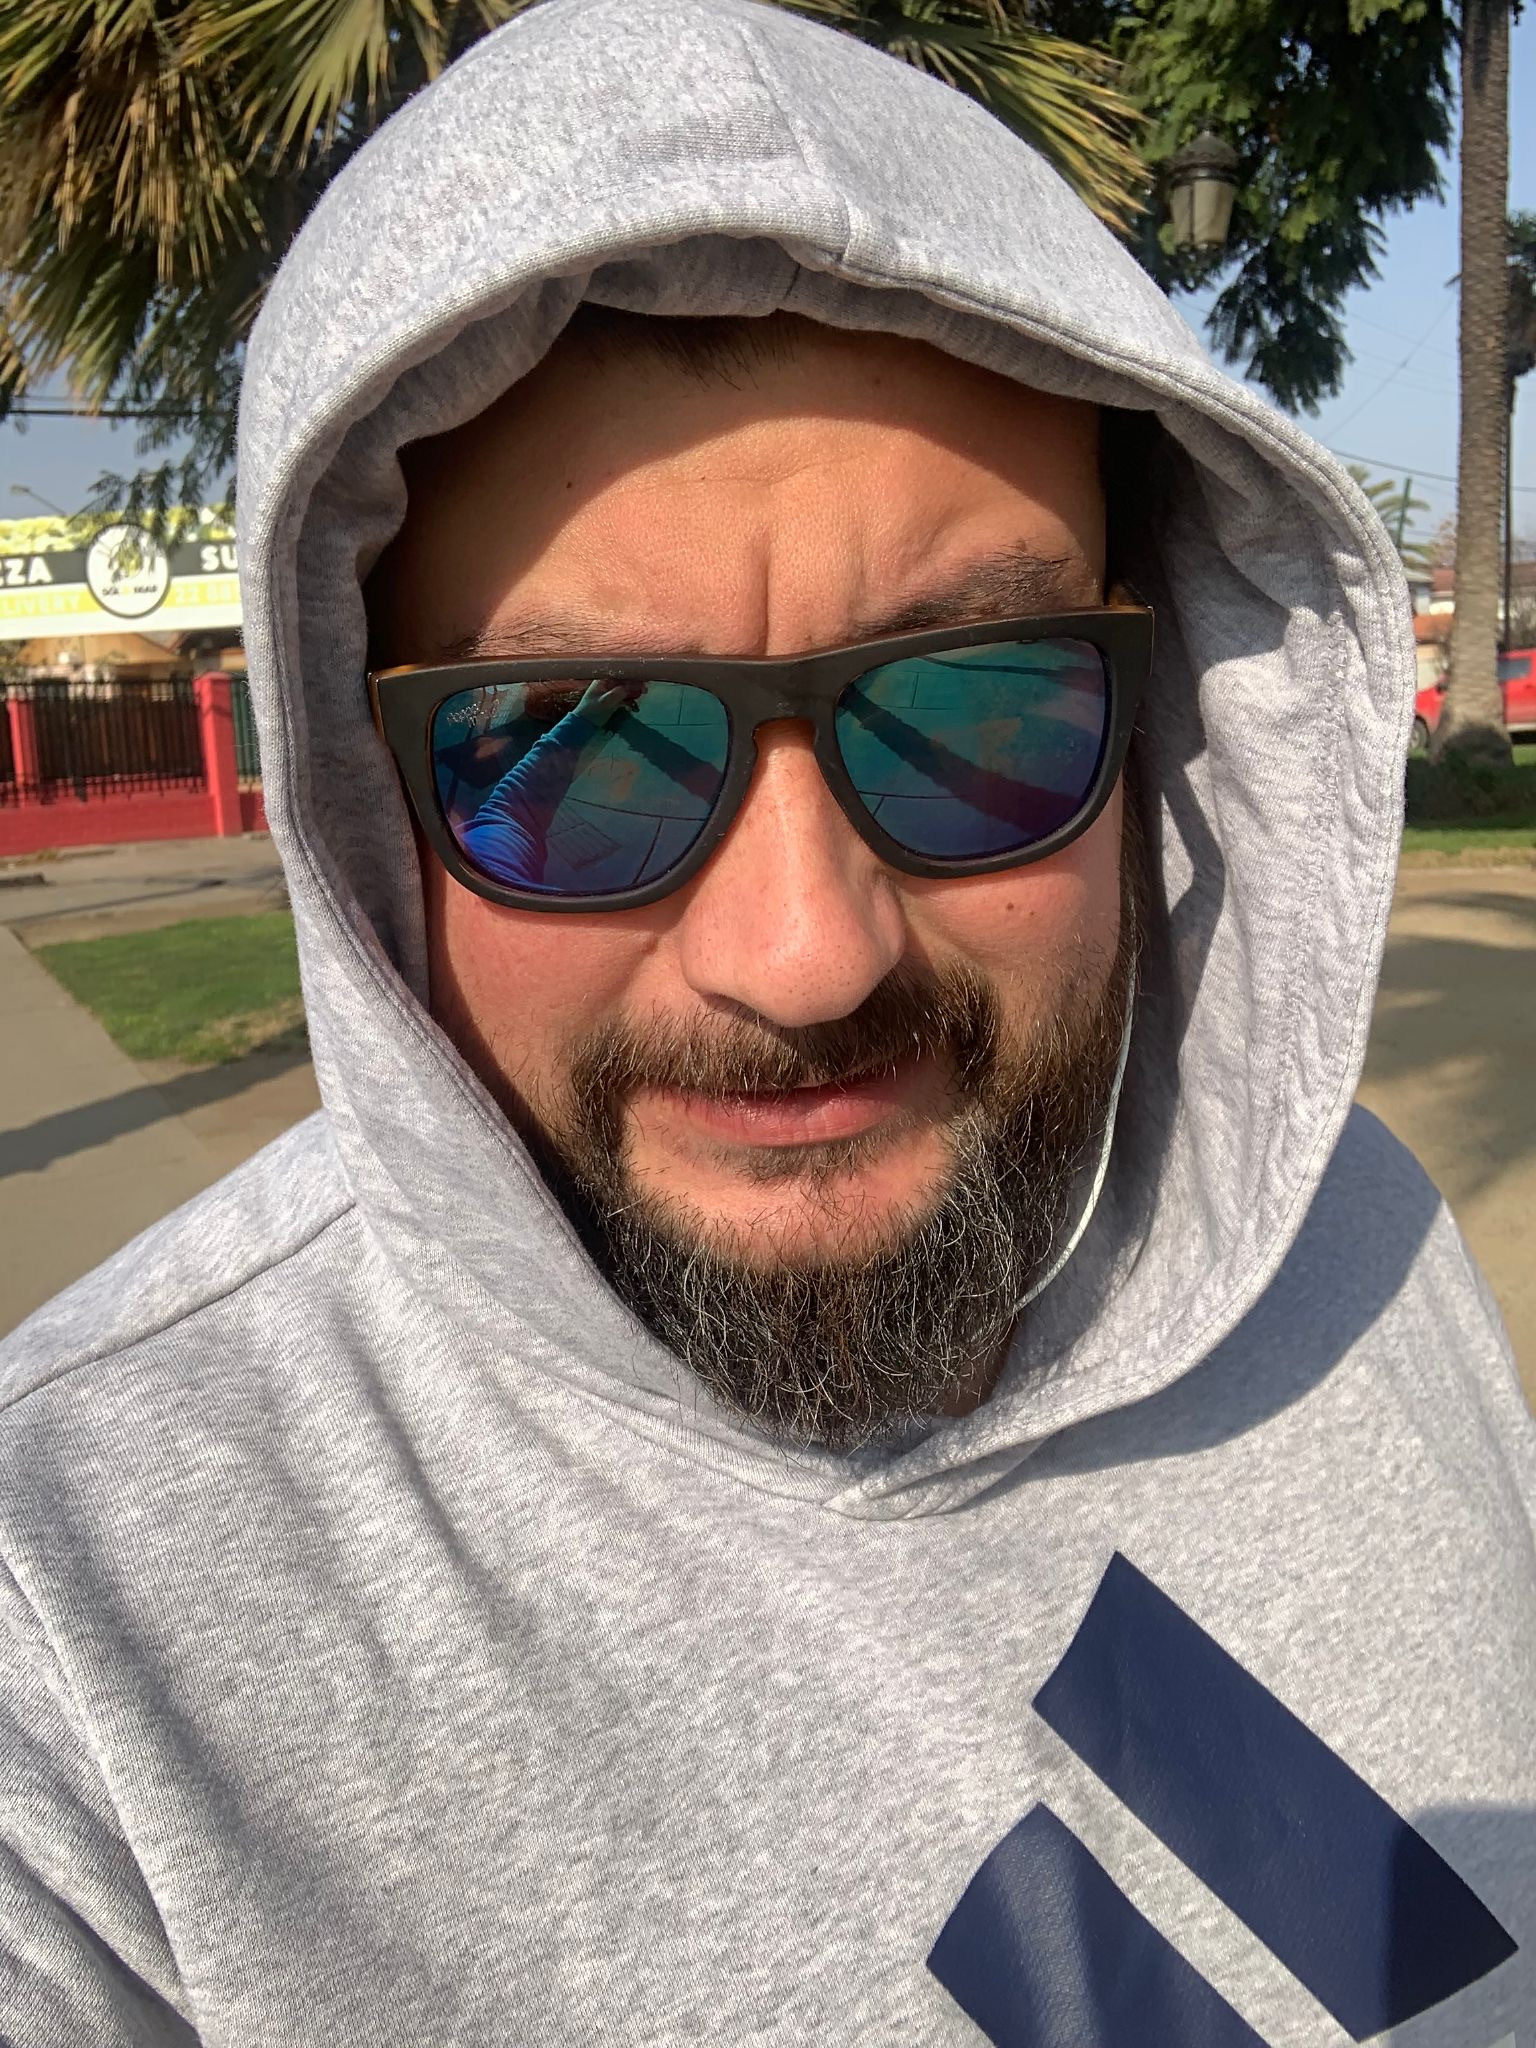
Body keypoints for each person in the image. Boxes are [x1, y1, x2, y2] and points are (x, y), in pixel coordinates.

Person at [1, 0, 1532, 2040]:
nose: (806, 957)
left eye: (980, 703)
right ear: (366, 804)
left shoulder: (1362, 1238)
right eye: (566, 744)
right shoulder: (80, 1645)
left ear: (1159, 705)